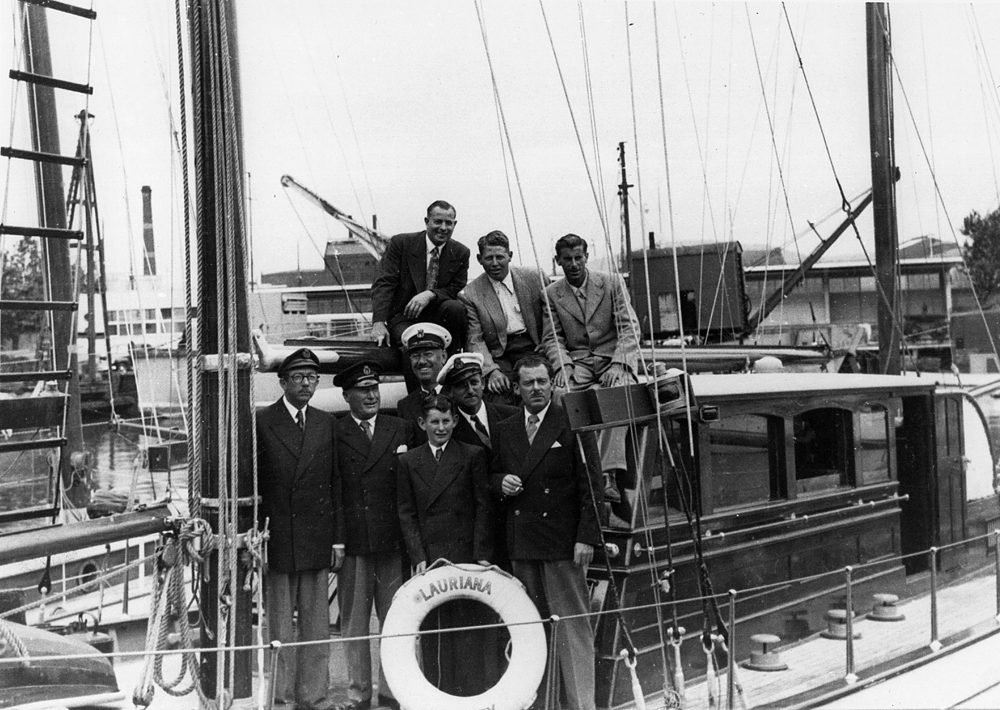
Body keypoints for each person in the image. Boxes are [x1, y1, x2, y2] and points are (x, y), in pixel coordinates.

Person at [490, 353, 602, 710]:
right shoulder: (505, 428)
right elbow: (490, 475)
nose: (536, 389)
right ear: (516, 388)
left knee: (572, 629)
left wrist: (587, 537)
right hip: (522, 545)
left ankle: (582, 704)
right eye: (528, 383)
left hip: (562, 544)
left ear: (552, 383)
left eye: (542, 381)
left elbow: (592, 486)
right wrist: (500, 483)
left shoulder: (571, 420)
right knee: (531, 632)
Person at [257, 348, 340, 710]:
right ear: (282, 382)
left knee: (316, 625)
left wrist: (337, 538)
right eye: (298, 377)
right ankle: (280, 697)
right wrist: (255, 536)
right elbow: (254, 483)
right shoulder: (262, 421)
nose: (306, 384)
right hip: (277, 538)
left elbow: (335, 483)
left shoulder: (326, 423)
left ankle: (314, 696)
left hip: (316, 536)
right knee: (278, 627)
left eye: (311, 378)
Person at [396, 394, 495, 696]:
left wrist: (481, 555)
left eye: (446, 421)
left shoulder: (472, 454)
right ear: (422, 423)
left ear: (454, 421)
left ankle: (469, 693)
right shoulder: (408, 460)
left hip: (464, 555)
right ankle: (439, 692)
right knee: (435, 629)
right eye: (434, 422)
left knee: (466, 627)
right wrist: (418, 555)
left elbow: (483, 507)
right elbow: (407, 512)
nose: (441, 428)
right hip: (430, 556)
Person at [541, 233, 641, 516]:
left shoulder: (610, 282)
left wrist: (621, 364)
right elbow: (553, 338)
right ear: (558, 261)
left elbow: (629, 327)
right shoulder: (551, 294)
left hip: (612, 358)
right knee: (560, 396)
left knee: (614, 395)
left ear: (586, 256)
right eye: (567, 260)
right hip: (580, 362)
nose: (573, 264)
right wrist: (562, 367)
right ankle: (569, 474)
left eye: (578, 258)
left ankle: (607, 476)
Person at [332, 361, 410, 710]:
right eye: (363, 390)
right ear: (347, 395)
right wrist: (337, 540)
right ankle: (358, 692)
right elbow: (332, 490)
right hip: (355, 541)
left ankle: (392, 690)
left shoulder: (401, 428)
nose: (371, 395)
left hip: (393, 540)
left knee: (394, 619)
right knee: (354, 623)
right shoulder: (335, 433)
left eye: (374, 388)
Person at [438, 351, 518, 570]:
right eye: (462, 385)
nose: (470, 390)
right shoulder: (449, 432)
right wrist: (498, 482)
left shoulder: (511, 415)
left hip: (516, 525)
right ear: (451, 392)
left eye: (474, 382)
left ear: (483, 383)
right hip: (476, 533)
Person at [370, 201, 469, 361]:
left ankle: (453, 370)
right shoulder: (401, 244)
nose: (443, 228)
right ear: (426, 221)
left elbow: (456, 286)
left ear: (454, 224)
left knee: (456, 309)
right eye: (438, 221)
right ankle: (419, 386)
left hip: (438, 314)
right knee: (415, 344)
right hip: (404, 317)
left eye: (449, 223)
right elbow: (385, 282)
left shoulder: (460, 252)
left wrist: (430, 294)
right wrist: (379, 322)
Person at [459, 230, 549, 405]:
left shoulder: (534, 278)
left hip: (536, 347)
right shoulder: (470, 293)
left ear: (510, 256)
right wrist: (491, 370)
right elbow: (474, 338)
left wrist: (546, 345)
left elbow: (551, 318)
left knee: (540, 389)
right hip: (500, 355)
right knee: (499, 396)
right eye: (488, 258)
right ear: (479, 259)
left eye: (500, 257)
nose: (494, 263)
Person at [395, 323, 449, 446]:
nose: (422, 361)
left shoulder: (456, 396)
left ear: (444, 357)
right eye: (415, 356)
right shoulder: (405, 405)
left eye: (428, 354)